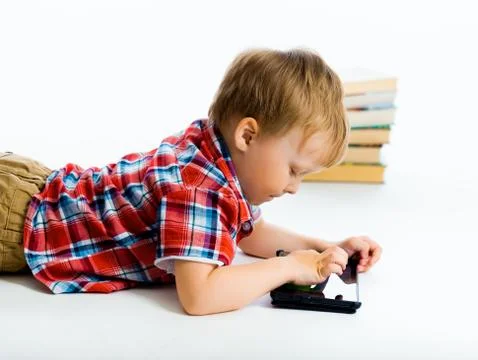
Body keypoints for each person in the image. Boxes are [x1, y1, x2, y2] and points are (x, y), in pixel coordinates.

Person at [0, 48, 382, 315]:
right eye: (294, 170)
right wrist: (290, 269)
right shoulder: (198, 188)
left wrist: (324, 250)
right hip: (17, 225)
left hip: (34, 190)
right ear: (248, 136)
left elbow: (247, 233)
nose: (294, 186)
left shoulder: (219, 157)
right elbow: (200, 296)